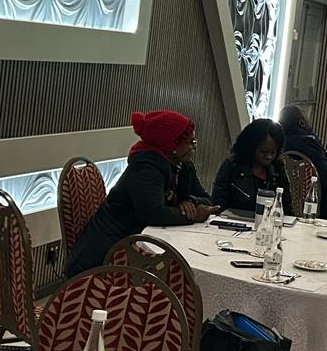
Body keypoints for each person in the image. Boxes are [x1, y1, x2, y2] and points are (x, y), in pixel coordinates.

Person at [65, 110, 216, 277]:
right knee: (177, 277)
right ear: (171, 145)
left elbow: (207, 199)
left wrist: (189, 201)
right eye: (190, 142)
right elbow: (153, 214)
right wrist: (191, 216)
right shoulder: (145, 168)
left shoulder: (182, 166)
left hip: (135, 248)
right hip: (107, 257)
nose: (194, 146)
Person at [278, 105, 327, 223]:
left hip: (288, 208)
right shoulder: (308, 144)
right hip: (323, 209)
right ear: (302, 122)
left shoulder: (280, 146)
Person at [212, 118, 294, 215]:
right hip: (234, 220)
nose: (268, 157)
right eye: (264, 151)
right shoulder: (232, 165)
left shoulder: (277, 168)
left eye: (273, 152)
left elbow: (286, 206)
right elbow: (218, 203)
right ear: (251, 146)